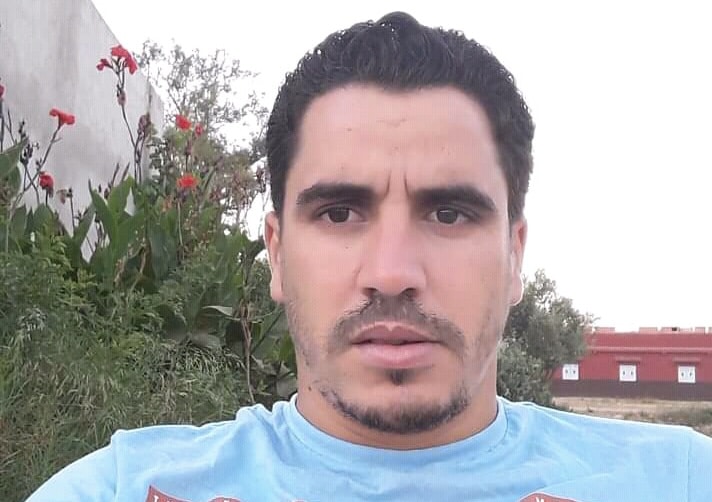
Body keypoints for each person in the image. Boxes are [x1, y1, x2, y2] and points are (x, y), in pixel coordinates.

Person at [28, 11, 712, 502]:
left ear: (514, 254)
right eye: (339, 213)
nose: (391, 272)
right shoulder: (123, 487)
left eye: (449, 213)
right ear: (277, 253)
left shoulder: (678, 480)